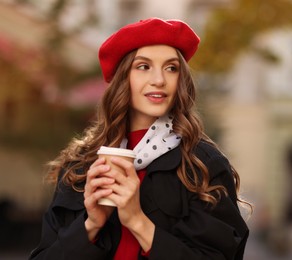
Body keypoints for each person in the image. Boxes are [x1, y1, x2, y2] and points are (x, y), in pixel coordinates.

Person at [29, 17, 249, 260]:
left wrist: (137, 221)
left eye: (171, 68)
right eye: (143, 66)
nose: (159, 80)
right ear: (124, 79)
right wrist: (91, 224)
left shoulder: (203, 165)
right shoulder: (81, 165)